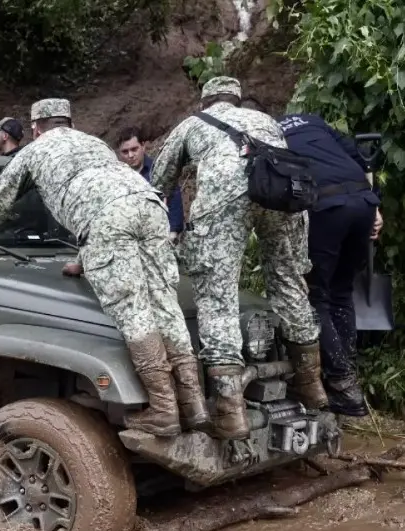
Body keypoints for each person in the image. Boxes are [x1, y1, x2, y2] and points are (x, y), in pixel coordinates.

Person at [0, 98, 209, 437]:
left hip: (109, 220)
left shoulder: (34, 151)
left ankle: (163, 410)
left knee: (132, 310)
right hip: (150, 204)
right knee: (164, 302)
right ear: (69, 123)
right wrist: (83, 261)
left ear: (35, 128)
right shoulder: (94, 144)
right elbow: (104, 199)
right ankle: (193, 403)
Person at [152, 76, 327, 440]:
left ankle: (230, 412)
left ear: (205, 102)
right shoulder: (266, 122)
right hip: (281, 193)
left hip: (224, 199)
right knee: (289, 282)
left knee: (217, 293)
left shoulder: (193, 124)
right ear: (237, 98)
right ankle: (311, 385)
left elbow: (159, 181)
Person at [278, 112, 383, 417]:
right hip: (363, 202)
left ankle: (340, 384)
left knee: (316, 296)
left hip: (327, 207)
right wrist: (375, 205)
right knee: (341, 291)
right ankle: (348, 373)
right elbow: (358, 157)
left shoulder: (270, 131)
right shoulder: (314, 122)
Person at [116, 127, 184, 242]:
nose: (130, 155)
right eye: (125, 152)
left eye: (134, 149)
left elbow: (174, 201)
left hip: (162, 237)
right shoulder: (117, 178)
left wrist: (173, 233)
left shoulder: (160, 170)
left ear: (143, 146)